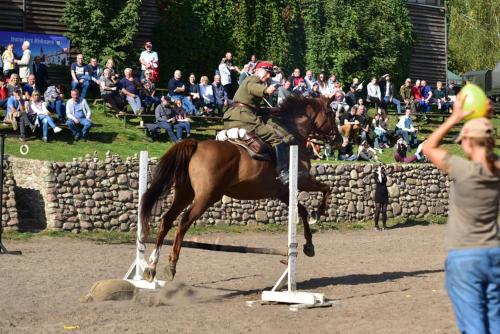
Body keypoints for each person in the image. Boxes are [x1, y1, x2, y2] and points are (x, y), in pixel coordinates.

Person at [422, 96, 499, 334]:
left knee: (474, 325)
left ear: (466, 143)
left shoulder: (462, 169)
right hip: (495, 253)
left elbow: (428, 147)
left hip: (466, 256)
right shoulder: (496, 169)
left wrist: (455, 117)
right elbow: (487, 150)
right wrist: (484, 119)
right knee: (495, 321)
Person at [224, 61, 296, 185]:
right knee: (275, 137)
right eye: (267, 73)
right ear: (258, 70)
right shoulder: (253, 79)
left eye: (270, 75)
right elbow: (257, 88)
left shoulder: (252, 82)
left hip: (233, 117)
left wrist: (272, 110)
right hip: (244, 118)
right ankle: (283, 172)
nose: (268, 77)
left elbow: (256, 108)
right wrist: (268, 89)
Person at [373, 165, 389, 231]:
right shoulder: (375, 174)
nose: (382, 168)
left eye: (383, 167)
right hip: (378, 194)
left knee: (384, 210)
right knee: (378, 209)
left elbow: (386, 181)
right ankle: (376, 226)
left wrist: (384, 171)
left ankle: (384, 226)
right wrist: (379, 171)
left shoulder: (384, 174)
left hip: (385, 193)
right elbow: (379, 180)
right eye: (381, 167)